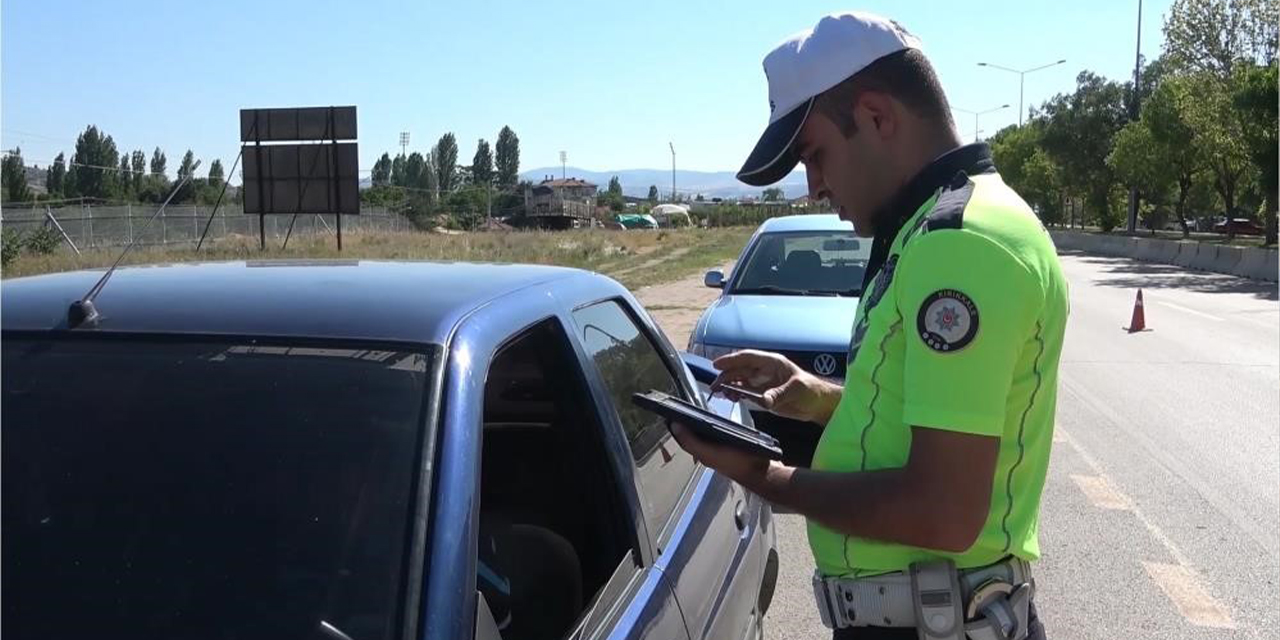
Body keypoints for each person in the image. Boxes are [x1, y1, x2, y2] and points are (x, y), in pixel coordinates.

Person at [669, 11, 1067, 640]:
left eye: (816, 155)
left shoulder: (962, 244)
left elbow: (942, 513)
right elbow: (925, 415)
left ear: (878, 118)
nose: (813, 186)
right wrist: (821, 398)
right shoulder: (928, 229)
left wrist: (765, 476)